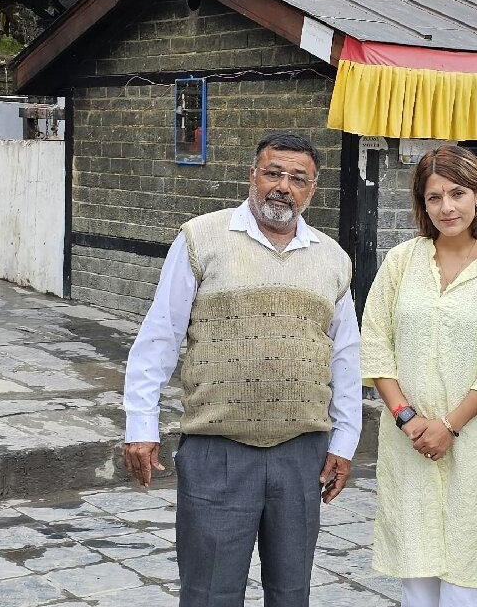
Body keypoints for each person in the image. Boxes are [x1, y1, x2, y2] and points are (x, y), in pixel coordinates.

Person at [122, 132, 362, 607]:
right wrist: (140, 426)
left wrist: (345, 441)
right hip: (218, 453)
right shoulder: (201, 239)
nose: (283, 187)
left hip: (302, 456)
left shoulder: (333, 259)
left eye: (298, 178)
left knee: (291, 592)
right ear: (252, 176)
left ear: (312, 190)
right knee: (210, 593)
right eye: (273, 173)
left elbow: (346, 357)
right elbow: (159, 338)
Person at [361, 144, 477, 607]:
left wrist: (449, 425)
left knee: (468, 583)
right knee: (417, 586)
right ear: (422, 204)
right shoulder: (400, 262)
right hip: (408, 446)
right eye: (434, 197)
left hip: (474, 445)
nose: (447, 207)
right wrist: (407, 418)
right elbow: (376, 344)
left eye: (457, 193)